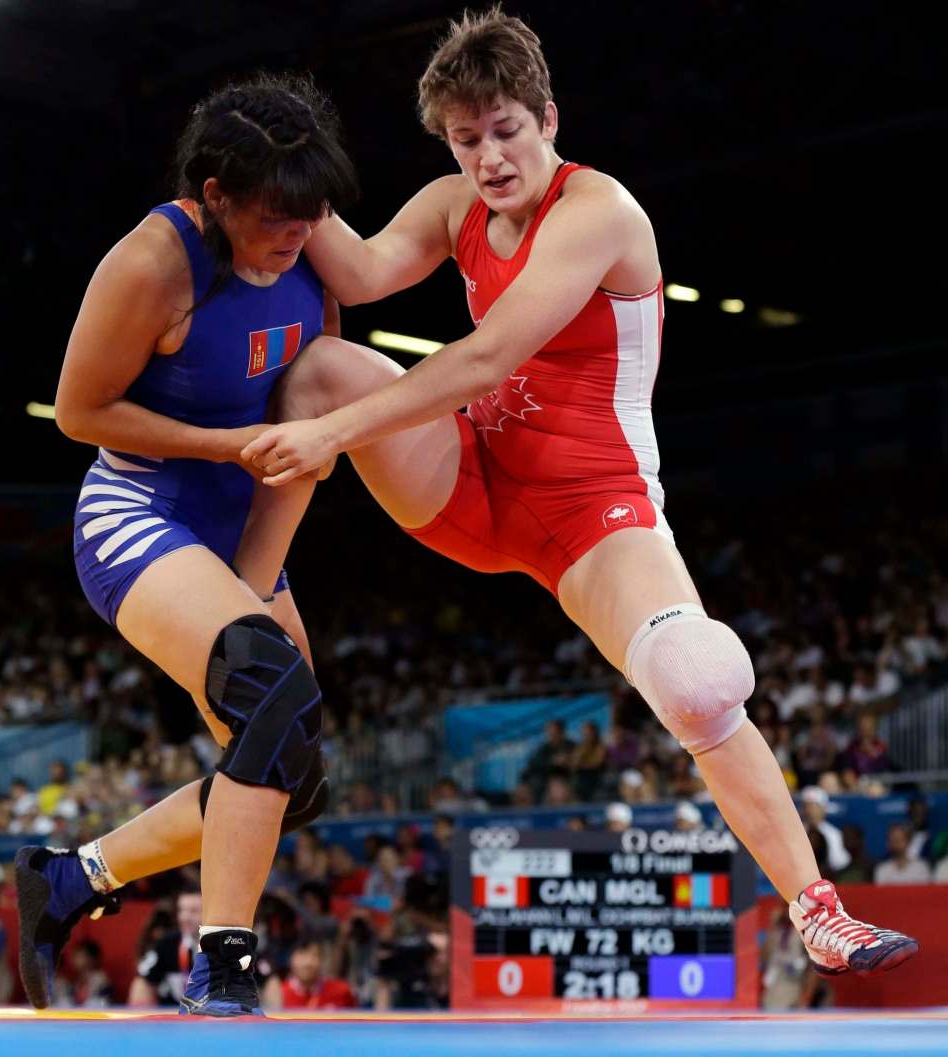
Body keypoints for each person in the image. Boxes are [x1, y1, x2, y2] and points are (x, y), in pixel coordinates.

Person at [242, 7, 917, 977]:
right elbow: (355, 267)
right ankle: (251, 597)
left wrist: (331, 440)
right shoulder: (449, 203)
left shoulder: (598, 210)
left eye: (505, 130)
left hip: (590, 508)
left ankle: (816, 909)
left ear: (547, 118)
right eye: (467, 140)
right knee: (323, 367)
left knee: (694, 683)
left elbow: (486, 357)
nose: (489, 157)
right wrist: (289, 161)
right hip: (472, 479)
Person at [14, 72, 358, 1017]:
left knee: (293, 766)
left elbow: (307, 408)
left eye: (310, 216)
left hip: (241, 515)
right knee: (267, 685)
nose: (296, 237)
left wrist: (259, 551)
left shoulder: (307, 250)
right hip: (140, 510)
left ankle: (75, 877)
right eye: (276, 218)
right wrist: (222, 447)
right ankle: (224, 964)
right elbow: (80, 413)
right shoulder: (151, 263)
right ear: (215, 195)